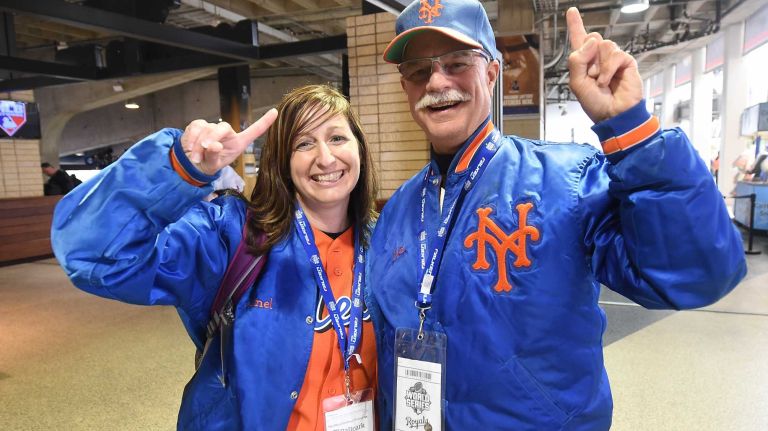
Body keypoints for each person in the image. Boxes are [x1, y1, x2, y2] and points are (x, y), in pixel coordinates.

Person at [366, 1, 747, 430]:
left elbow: (700, 273)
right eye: (419, 71)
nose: (437, 81)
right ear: (406, 88)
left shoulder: (567, 181)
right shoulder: (397, 210)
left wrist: (632, 132)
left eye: (456, 63)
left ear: (491, 73)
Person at [52, 85, 379, 430]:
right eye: (303, 143)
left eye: (338, 138)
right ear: (281, 160)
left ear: (360, 147)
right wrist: (176, 170)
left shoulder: (388, 244)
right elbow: (91, 254)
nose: (326, 158)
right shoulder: (230, 236)